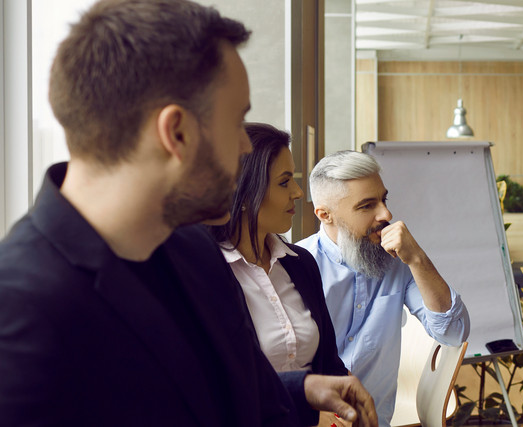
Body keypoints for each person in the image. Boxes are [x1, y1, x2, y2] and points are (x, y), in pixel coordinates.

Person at [0, 0, 375, 425]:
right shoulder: (19, 310)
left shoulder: (196, 251)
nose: (245, 148)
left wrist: (302, 389)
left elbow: (222, 389)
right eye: (236, 122)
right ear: (176, 132)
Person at [297, 150, 470, 427]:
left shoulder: (397, 260)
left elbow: (454, 333)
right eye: (367, 206)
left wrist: (417, 259)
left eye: (383, 199)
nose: (386, 214)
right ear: (325, 215)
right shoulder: (295, 268)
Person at [210, 122, 347, 377]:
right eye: (284, 183)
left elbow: (329, 363)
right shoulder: (207, 274)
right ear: (244, 192)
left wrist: (348, 405)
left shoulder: (301, 263)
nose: (297, 192)